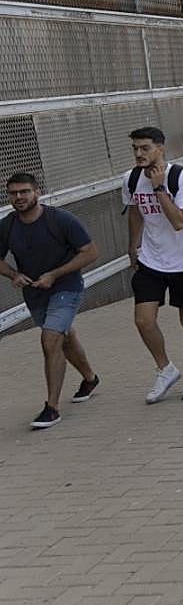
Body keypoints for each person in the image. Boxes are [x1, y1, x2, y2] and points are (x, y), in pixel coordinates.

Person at [0, 173, 100, 429]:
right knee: (64, 338)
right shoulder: (8, 225)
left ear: (37, 192)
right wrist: (14, 274)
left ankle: (52, 408)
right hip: (34, 293)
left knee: (50, 339)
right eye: (13, 193)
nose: (19, 197)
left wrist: (54, 275)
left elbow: (90, 252)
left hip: (66, 287)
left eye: (24, 192)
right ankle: (90, 378)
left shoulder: (61, 220)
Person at [123, 127, 183, 403]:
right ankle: (166, 369)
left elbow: (179, 221)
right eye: (135, 148)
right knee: (143, 320)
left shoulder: (182, 177)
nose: (139, 154)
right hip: (151, 259)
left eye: (145, 148)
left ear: (161, 148)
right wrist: (133, 246)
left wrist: (160, 188)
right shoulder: (131, 178)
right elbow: (136, 211)